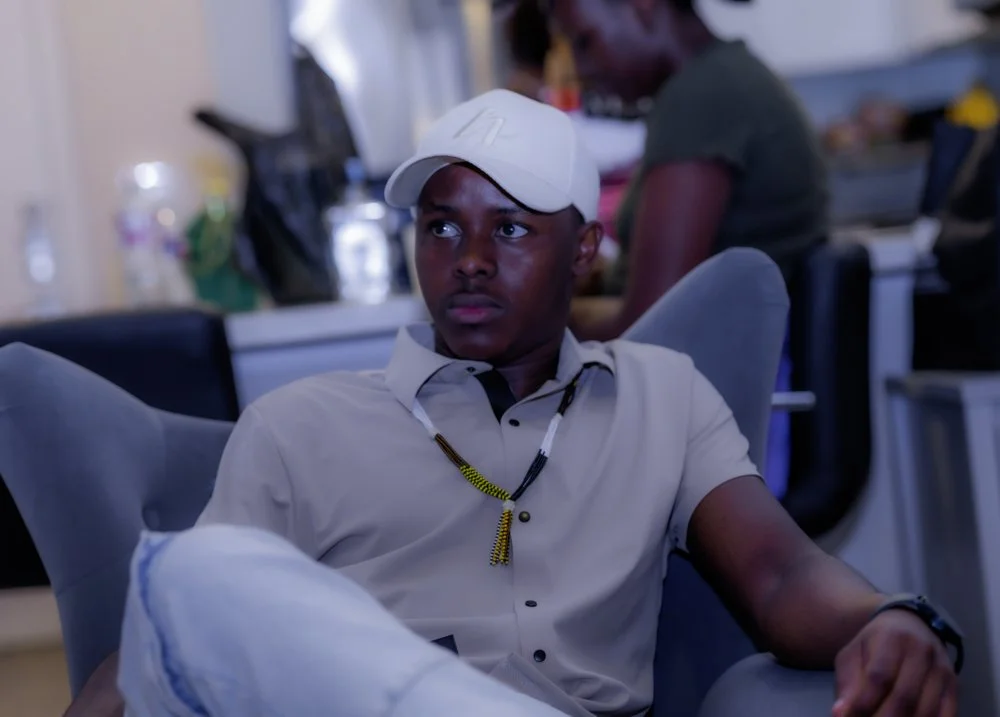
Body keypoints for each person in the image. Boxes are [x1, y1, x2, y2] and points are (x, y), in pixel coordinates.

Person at [68, 90, 956, 717]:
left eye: (514, 227)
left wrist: (892, 615)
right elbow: (190, 626)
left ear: (584, 252)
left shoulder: (663, 396)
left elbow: (781, 573)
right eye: (442, 226)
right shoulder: (299, 426)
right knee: (190, 573)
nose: (471, 259)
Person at [546, 0, 828, 342]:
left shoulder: (701, 96)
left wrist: (537, 331)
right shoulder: (726, 75)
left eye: (584, 41)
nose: (580, 68)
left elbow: (650, 329)